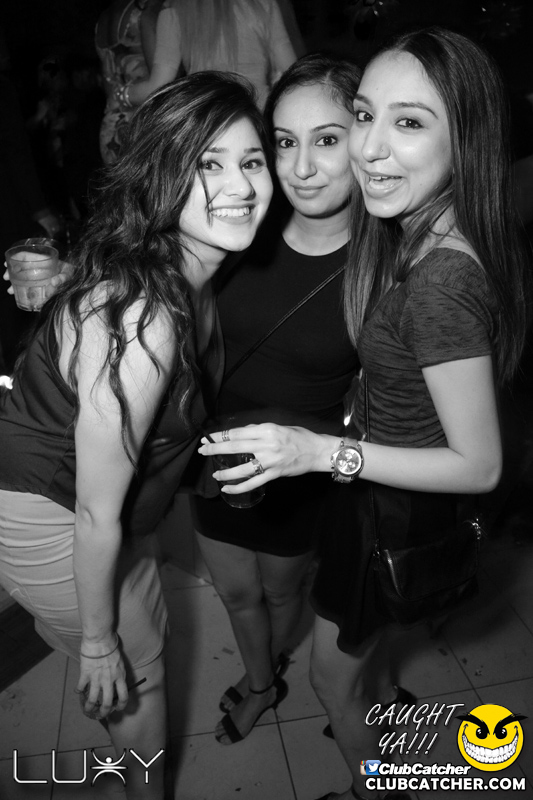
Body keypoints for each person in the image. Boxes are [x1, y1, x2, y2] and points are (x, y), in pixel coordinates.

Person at [198, 27, 530, 800]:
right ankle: (378, 711)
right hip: (380, 495)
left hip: (388, 507)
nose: (369, 148)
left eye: (408, 122)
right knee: (354, 656)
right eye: (365, 116)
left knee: (330, 679)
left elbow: (479, 464)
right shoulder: (417, 234)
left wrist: (320, 453)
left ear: (466, 137)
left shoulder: (438, 276)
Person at [0, 71, 272, 799]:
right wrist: (98, 642)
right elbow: (95, 514)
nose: (239, 185)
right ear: (159, 178)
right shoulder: (143, 318)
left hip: (107, 512)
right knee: (135, 677)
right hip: (53, 513)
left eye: (251, 160)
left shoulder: (188, 273)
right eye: (206, 164)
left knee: (143, 630)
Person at [189, 54, 361, 746]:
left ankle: (277, 664)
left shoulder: (383, 268)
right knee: (236, 593)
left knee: (285, 591)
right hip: (213, 453)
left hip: (300, 470)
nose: (302, 167)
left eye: (327, 139)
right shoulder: (240, 224)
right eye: (285, 142)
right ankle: (262, 683)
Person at [153, 0, 298, 109]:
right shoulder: (262, 5)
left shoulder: (174, 11)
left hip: (211, 118)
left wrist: (134, 90)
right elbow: (293, 73)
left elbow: (158, 85)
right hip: (258, 115)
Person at [96, 0, 181, 165]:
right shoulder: (145, 12)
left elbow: (108, 83)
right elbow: (165, 84)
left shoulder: (102, 21)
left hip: (112, 127)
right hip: (147, 124)